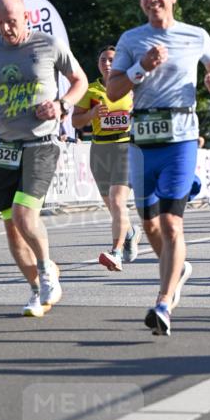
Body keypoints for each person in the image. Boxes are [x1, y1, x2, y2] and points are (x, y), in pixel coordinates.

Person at [107, 0, 210, 336]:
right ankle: (178, 269)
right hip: (143, 142)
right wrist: (140, 67)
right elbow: (113, 91)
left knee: (172, 222)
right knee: (150, 224)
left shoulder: (195, 35)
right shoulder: (131, 40)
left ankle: (163, 302)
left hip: (181, 138)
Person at [0, 0, 88, 317]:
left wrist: (62, 105)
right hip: (3, 148)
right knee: (12, 228)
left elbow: (80, 80)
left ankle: (46, 270)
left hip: (41, 143)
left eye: (12, 21)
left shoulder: (48, 44)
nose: (6, 29)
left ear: (26, 18)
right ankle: (37, 289)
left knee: (24, 215)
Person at [72, 45, 141, 271]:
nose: (107, 64)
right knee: (112, 205)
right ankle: (130, 233)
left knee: (118, 200)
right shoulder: (90, 90)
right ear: (98, 64)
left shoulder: (131, 87)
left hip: (126, 147)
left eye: (112, 59)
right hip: (100, 150)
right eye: (103, 60)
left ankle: (116, 252)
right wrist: (92, 114)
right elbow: (75, 121)